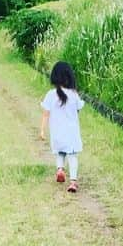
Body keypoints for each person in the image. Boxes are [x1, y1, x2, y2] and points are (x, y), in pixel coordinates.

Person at [40, 61, 86, 193]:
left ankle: (60, 169)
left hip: (57, 133)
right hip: (71, 132)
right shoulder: (73, 94)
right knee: (72, 156)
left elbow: (45, 114)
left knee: (60, 152)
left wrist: (42, 130)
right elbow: (77, 110)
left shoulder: (50, 94)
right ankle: (73, 182)